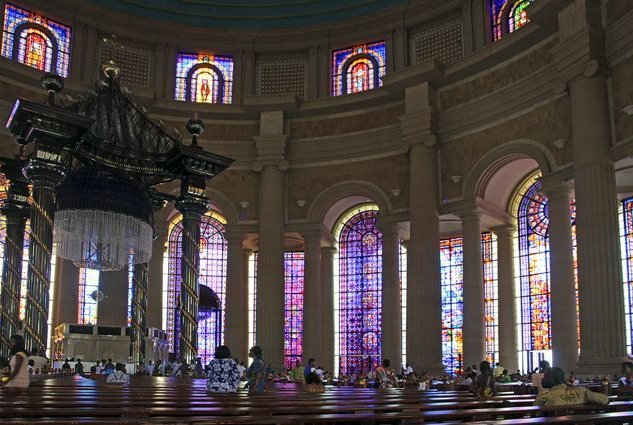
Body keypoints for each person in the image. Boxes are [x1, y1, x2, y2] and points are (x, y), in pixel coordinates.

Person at [534, 367, 609, 407]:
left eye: (546, 377)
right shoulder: (581, 391)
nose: (543, 379)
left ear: (552, 379)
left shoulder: (542, 398)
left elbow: (536, 416)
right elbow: (605, 400)